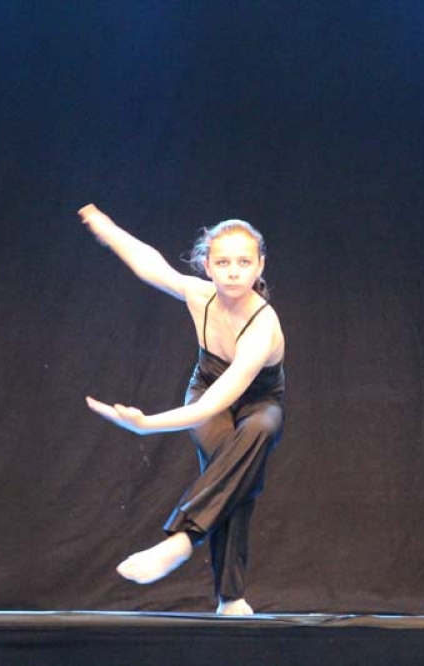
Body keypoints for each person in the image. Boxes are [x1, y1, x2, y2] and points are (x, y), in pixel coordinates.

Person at [79, 203, 285, 616]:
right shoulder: (199, 295)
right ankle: (231, 597)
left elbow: (216, 403)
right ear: (207, 266)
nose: (233, 272)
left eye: (244, 262)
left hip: (259, 399)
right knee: (232, 465)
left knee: (256, 434)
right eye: (223, 262)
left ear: (260, 265)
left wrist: (146, 425)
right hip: (206, 384)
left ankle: (182, 541)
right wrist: (108, 230)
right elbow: (149, 265)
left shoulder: (261, 326)